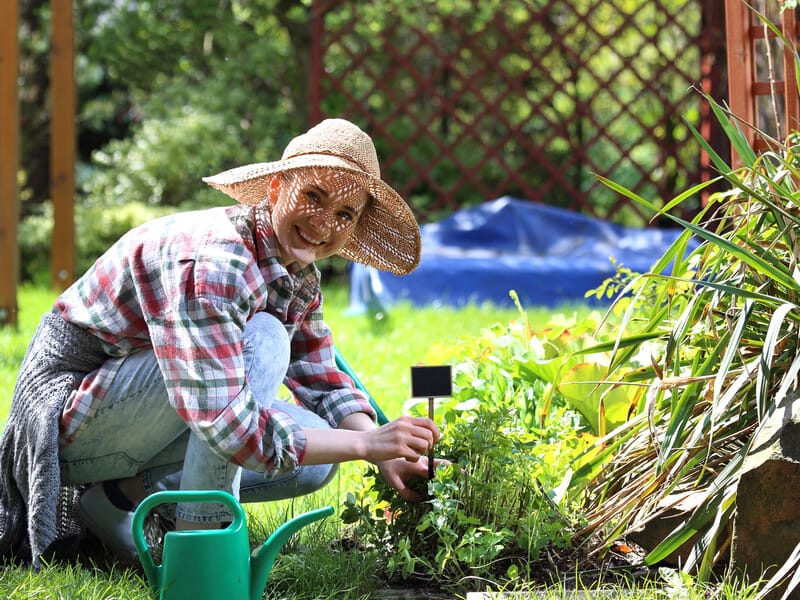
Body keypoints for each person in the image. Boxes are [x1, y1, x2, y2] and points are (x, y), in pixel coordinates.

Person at [0, 118, 442, 565]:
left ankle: (115, 501)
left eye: (344, 215)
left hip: (135, 407)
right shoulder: (219, 260)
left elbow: (322, 377)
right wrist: (367, 446)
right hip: (64, 413)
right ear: (274, 189)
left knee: (321, 451)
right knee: (266, 337)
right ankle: (200, 546)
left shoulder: (298, 275)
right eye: (313, 196)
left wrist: (383, 454)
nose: (324, 223)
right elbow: (230, 427)